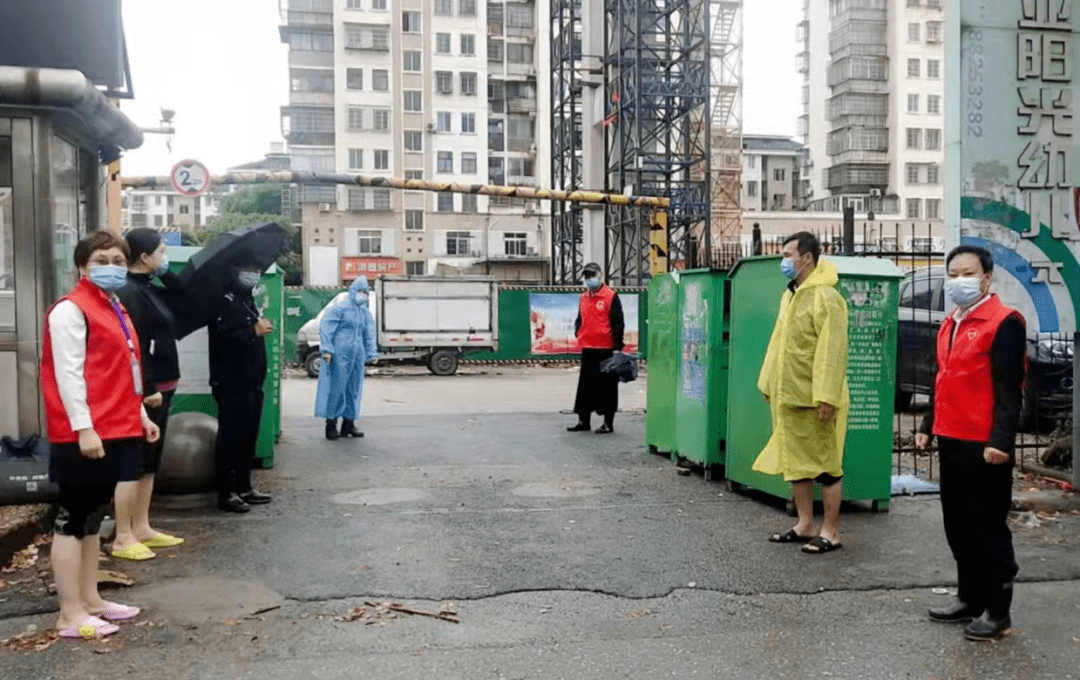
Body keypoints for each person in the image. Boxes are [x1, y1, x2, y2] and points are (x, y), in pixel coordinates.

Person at [40, 231, 160, 638]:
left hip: (116, 424)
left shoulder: (114, 306)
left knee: (93, 518)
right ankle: (69, 613)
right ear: (81, 265)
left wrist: (140, 412)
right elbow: (68, 375)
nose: (111, 267)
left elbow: (124, 368)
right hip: (86, 432)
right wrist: (83, 428)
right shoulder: (70, 310)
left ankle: (91, 600)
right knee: (72, 519)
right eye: (102, 260)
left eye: (118, 260)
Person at [916, 245, 1025, 642]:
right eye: (953, 273)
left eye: (967, 273)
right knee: (957, 525)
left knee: (987, 528)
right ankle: (969, 598)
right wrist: (928, 425)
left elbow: (1009, 390)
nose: (959, 280)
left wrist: (1001, 441)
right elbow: (942, 378)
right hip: (952, 438)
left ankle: (998, 612)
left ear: (986, 277)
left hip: (984, 445)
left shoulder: (1003, 322)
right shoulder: (951, 323)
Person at [755, 232, 849, 555]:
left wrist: (826, 396)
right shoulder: (791, 296)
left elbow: (832, 351)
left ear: (806, 258)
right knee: (796, 464)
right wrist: (768, 382)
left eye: (787, 254)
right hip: (790, 396)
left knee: (826, 465)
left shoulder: (827, 297)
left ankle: (831, 531)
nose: (784, 261)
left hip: (815, 399)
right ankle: (805, 523)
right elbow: (778, 343)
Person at [110, 229, 184, 560]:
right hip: (146, 392)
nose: (164, 256)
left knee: (150, 462)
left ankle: (142, 526)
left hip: (164, 386)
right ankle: (122, 534)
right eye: (161, 251)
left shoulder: (149, 288)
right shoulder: (130, 292)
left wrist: (167, 276)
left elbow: (184, 296)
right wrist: (148, 388)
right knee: (136, 461)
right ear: (144, 257)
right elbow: (135, 346)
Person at [208, 264, 273, 513]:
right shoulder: (223, 300)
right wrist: (252, 331)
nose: (253, 274)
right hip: (232, 381)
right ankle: (227, 492)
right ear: (233, 271)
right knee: (231, 437)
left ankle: (245, 486)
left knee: (248, 436)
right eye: (248, 269)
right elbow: (222, 339)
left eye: (257, 270)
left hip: (252, 381)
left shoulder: (245, 299)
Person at [314, 277, 378, 440]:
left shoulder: (364, 313)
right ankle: (331, 425)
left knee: (354, 389)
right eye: (360, 291)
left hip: (357, 356)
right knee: (337, 388)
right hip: (340, 354)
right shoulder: (340, 308)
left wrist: (372, 352)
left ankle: (348, 424)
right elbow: (326, 327)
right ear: (352, 291)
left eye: (365, 292)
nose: (362, 295)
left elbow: (369, 334)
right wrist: (327, 350)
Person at [567, 262, 625, 434]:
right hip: (588, 348)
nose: (589, 279)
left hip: (605, 349)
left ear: (600, 275)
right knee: (585, 386)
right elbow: (580, 318)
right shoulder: (583, 297)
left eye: (592, 275)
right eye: (586, 276)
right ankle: (583, 420)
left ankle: (608, 422)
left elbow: (618, 323)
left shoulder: (610, 296)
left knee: (607, 388)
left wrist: (617, 347)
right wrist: (578, 330)